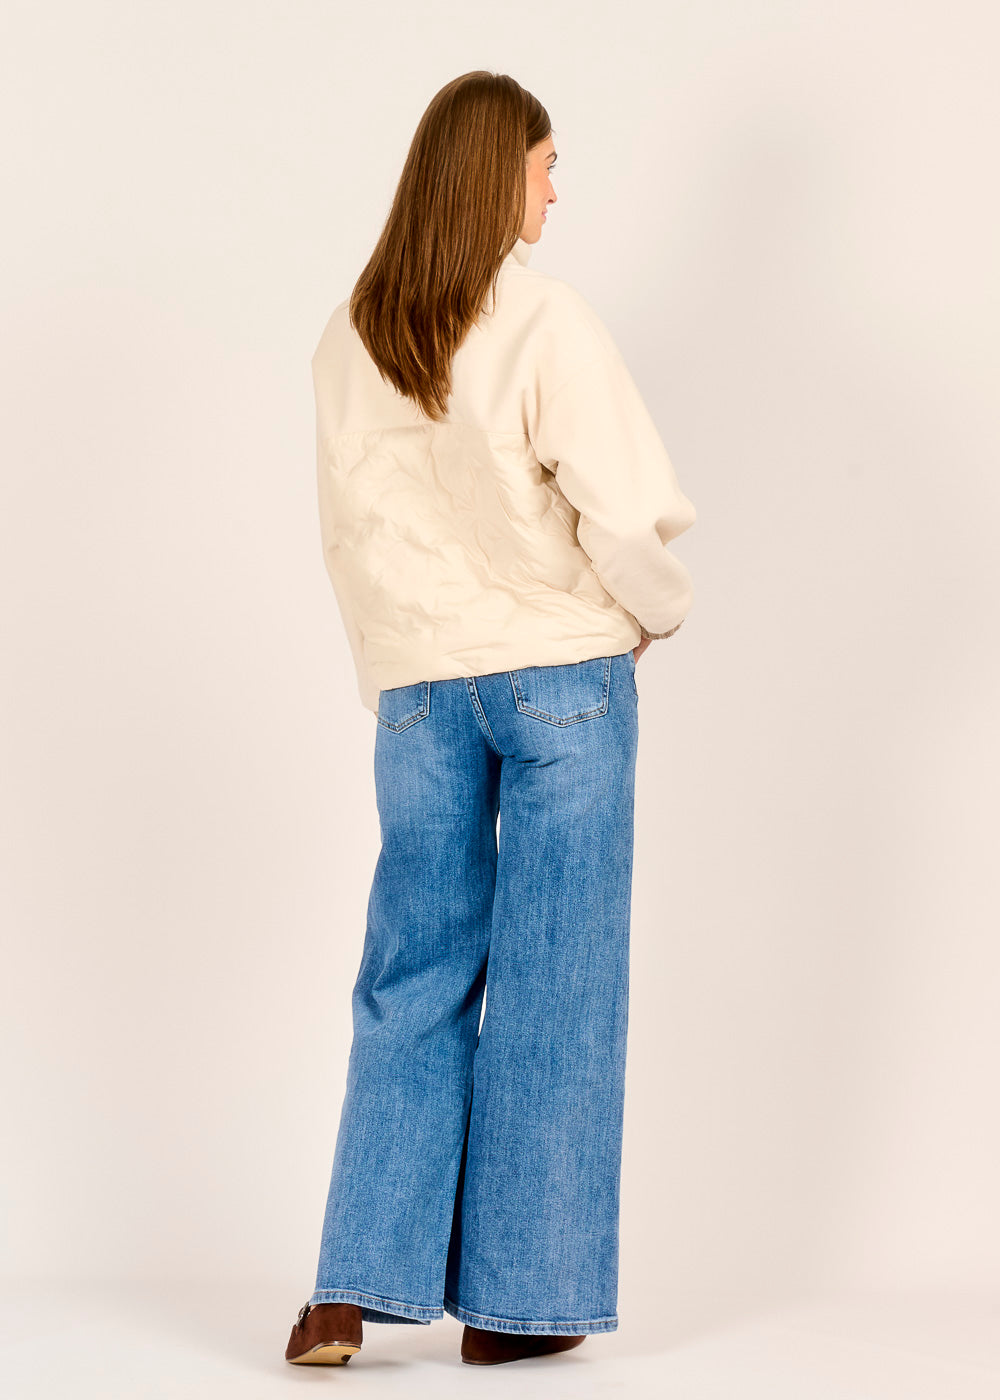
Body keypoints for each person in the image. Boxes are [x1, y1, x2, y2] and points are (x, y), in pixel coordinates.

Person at [284, 70, 696, 1368]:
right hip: (558, 676)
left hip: (419, 691)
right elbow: (621, 510)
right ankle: (517, 1310)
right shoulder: (544, 319)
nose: (555, 191)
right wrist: (655, 612)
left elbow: (348, 536)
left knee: (411, 973)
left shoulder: (351, 336)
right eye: (545, 163)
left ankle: (349, 1289)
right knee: (555, 986)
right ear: (494, 171)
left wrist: (393, 670)